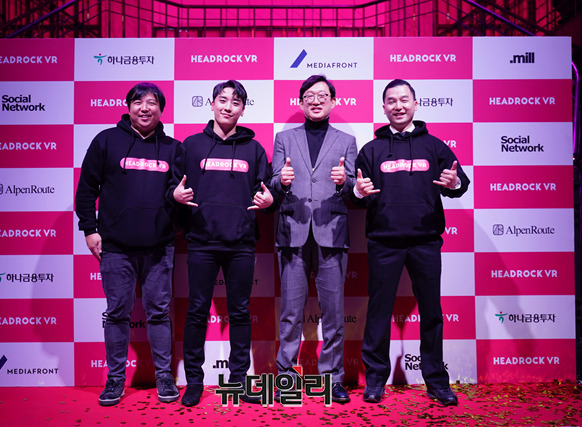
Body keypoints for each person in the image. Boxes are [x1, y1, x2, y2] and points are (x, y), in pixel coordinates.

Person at [354, 79, 470, 406]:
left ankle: (436, 381)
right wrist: (358, 192)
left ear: (416, 105)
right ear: (384, 108)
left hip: (425, 242)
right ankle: (375, 380)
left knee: (431, 312)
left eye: (404, 99)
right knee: (378, 313)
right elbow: (359, 193)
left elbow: (459, 183)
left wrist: (454, 183)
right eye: (391, 101)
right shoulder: (371, 150)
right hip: (383, 243)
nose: (398, 106)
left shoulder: (434, 146)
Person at [170, 80, 276, 407]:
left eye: (235, 102)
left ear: (243, 109)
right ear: (212, 104)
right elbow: (173, 187)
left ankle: (239, 380)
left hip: (241, 243)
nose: (228, 106)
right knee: (197, 311)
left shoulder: (254, 150)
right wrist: (174, 194)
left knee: (240, 313)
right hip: (201, 242)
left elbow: (265, 192)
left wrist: (269, 201)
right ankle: (194, 382)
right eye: (223, 100)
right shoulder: (191, 145)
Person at [75, 82, 180, 406]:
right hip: (116, 248)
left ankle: (164, 377)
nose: (144, 108)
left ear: (161, 109)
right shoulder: (106, 140)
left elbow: (181, 196)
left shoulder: (174, 149)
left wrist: (173, 221)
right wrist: (90, 230)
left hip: (160, 248)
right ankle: (115, 379)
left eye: (151, 103)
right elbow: (86, 190)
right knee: (117, 313)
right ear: (129, 107)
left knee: (159, 313)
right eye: (138, 102)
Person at [270, 75, 357, 404]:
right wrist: (281, 180)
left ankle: (332, 379)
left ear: (334, 101)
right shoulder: (283, 138)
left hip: (331, 233)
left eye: (323, 95)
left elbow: (355, 190)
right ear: (301, 102)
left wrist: (345, 182)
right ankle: (286, 377)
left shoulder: (347, 141)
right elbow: (273, 185)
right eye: (309, 95)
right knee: (291, 313)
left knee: (333, 313)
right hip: (292, 232)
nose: (316, 100)